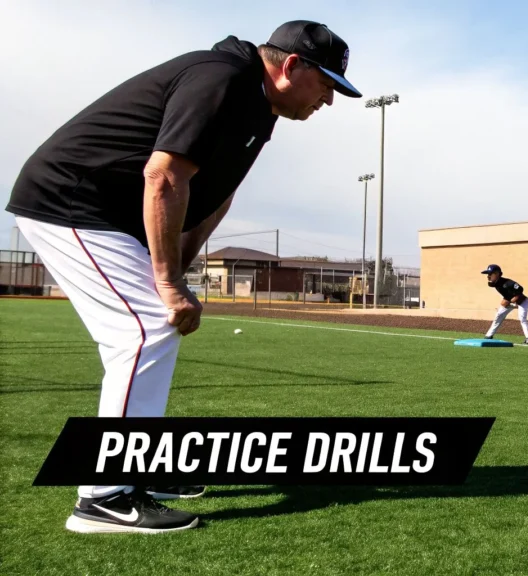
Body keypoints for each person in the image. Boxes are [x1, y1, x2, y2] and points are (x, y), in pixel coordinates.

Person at [4, 20, 362, 533]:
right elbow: (164, 175)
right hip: (69, 201)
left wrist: (181, 270)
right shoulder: (220, 79)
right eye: (326, 84)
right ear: (290, 67)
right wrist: (167, 281)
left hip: (107, 216)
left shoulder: (259, 107)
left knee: (156, 327)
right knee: (145, 329)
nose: (328, 100)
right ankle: (103, 497)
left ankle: (134, 466)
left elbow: (214, 195)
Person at [481, 264, 528, 344]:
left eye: (490, 274)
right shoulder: (495, 283)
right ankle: (489, 335)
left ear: (497, 274)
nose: (488, 276)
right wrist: (508, 301)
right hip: (510, 301)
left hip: (522, 302)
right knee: (498, 315)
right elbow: (507, 295)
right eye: (488, 274)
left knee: (522, 318)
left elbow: (520, 288)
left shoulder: (507, 283)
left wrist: (515, 299)